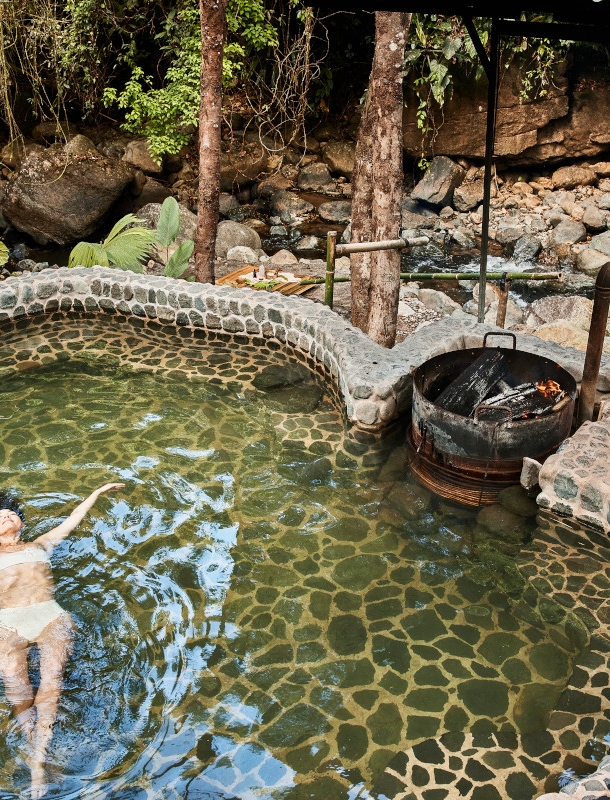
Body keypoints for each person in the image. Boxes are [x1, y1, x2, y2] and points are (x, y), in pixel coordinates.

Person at [0, 482, 125, 799]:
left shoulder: (41, 545)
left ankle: (40, 759)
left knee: (52, 677)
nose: (4, 518)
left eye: (9, 514)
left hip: (49, 617)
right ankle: (32, 749)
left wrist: (97, 493)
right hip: (7, 622)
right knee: (15, 680)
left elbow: (72, 519)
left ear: (21, 523)